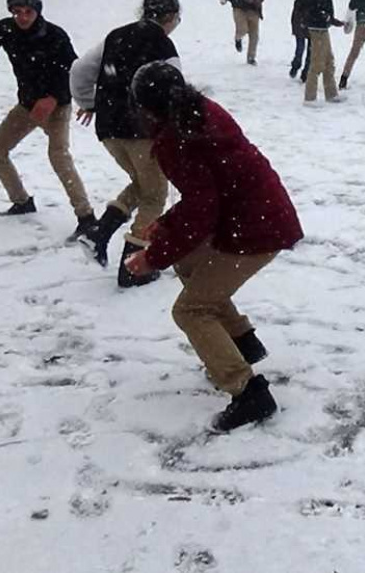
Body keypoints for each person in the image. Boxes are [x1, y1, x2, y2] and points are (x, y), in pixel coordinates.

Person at [123, 62, 303, 432]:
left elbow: (202, 211)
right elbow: (205, 196)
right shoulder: (199, 110)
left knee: (191, 310)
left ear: (147, 108)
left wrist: (152, 258)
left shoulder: (178, 137)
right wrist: (169, 224)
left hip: (255, 229)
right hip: (258, 215)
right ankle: (241, 341)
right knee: (189, 263)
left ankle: (248, 392)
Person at [0, 0, 95, 238]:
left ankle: (87, 218)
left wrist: (53, 98)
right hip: (27, 105)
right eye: (16, 11)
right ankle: (21, 202)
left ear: (37, 11)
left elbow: (73, 73)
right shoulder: (5, 29)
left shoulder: (55, 35)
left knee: (58, 157)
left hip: (57, 107)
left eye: (27, 12)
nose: (21, 17)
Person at [71, 0, 181, 288]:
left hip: (108, 130)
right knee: (155, 195)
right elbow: (176, 92)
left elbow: (79, 70)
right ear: (171, 18)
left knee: (142, 184)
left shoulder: (115, 36)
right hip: (142, 131)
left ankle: (99, 234)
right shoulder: (163, 45)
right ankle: (134, 266)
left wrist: (89, 103)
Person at [299, 0, 346, 104]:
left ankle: (331, 93)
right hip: (318, 28)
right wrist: (329, 19)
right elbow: (318, 8)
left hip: (321, 27)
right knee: (317, 63)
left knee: (328, 62)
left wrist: (331, 20)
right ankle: (310, 97)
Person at [281, 0, 314, 80]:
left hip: (300, 16)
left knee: (301, 45)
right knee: (309, 46)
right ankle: (304, 70)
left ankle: (298, 66)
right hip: (309, 16)